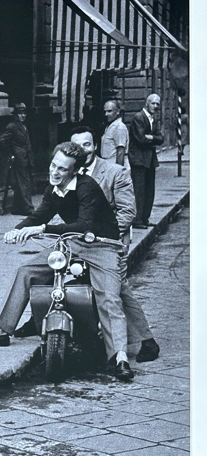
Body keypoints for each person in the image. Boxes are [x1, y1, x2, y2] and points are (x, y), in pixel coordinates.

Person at [0, 142, 133, 381]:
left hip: (101, 245)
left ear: (74, 171)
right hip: (71, 244)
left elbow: (84, 224)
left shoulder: (87, 187)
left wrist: (41, 229)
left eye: (62, 169)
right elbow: (39, 214)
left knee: (110, 298)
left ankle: (119, 358)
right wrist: (17, 230)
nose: (55, 172)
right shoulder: (54, 189)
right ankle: (0, 330)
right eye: (54, 165)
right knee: (27, 270)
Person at [68, 127, 160, 363]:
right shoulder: (70, 172)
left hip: (111, 240)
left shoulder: (114, 172)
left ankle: (147, 341)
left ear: (95, 146)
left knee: (117, 288)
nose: (82, 151)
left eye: (87, 145)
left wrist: (98, 234)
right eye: (77, 147)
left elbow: (128, 212)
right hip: (81, 240)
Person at [128, 93, 164, 229]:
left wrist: (152, 138)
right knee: (139, 190)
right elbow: (141, 139)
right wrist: (153, 139)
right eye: (153, 103)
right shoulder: (138, 117)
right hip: (139, 160)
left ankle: (144, 218)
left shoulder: (153, 119)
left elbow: (161, 139)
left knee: (149, 190)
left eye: (157, 104)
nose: (155, 106)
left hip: (149, 160)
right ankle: (137, 220)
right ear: (146, 103)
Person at [0, 102, 35, 215]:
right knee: (24, 184)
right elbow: (1, 140)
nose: (23, 116)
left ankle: (17, 208)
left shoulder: (23, 126)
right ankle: (28, 208)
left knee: (22, 183)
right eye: (20, 113)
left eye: (24, 113)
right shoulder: (12, 126)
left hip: (26, 157)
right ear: (15, 115)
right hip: (19, 158)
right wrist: (11, 153)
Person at [100, 100, 129, 167]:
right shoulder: (110, 126)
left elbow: (120, 151)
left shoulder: (119, 127)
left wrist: (118, 171)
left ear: (118, 111)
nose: (106, 114)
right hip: (108, 164)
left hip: (114, 164)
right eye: (105, 111)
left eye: (109, 111)